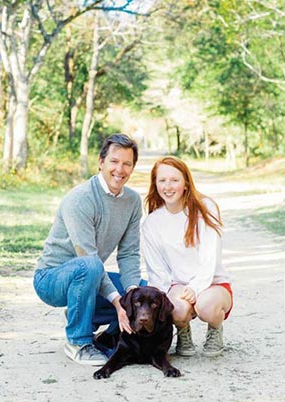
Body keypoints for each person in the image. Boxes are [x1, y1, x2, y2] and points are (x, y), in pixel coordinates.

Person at [33, 134, 146, 366]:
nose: (120, 169)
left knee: (143, 291)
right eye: (114, 161)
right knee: (92, 266)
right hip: (51, 279)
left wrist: (132, 293)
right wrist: (118, 303)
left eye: (127, 163)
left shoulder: (133, 201)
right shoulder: (81, 198)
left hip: (89, 277)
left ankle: (104, 332)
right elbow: (87, 258)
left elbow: (129, 253)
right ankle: (78, 342)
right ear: (101, 162)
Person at [142, 156, 233, 357]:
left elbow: (210, 257)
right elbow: (157, 270)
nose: (168, 186)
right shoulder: (152, 223)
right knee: (175, 308)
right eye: (162, 180)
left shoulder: (205, 208)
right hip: (179, 286)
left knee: (206, 307)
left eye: (174, 180)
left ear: (185, 183)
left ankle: (215, 329)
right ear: (155, 184)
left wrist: (196, 288)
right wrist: (166, 298)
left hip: (213, 284)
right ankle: (183, 330)